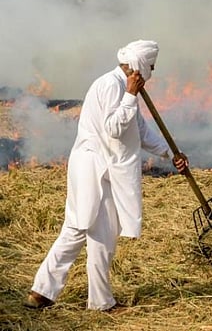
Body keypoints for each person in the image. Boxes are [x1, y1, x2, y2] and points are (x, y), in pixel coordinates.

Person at [24, 40, 189, 312]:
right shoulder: (112, 86)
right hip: (94, 169)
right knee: (101, 234)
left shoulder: (122, 87)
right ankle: (101, 303)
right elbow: (113, 128)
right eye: (150, 67)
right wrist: (130, 95)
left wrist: (171, 153)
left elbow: (140, 130)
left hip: (99, 169)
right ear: (138, 65)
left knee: (77, 229)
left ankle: (41, 291)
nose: (152, 72)